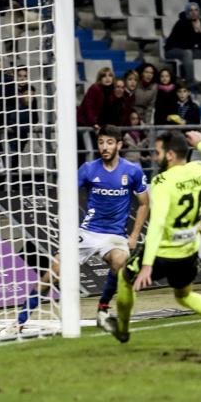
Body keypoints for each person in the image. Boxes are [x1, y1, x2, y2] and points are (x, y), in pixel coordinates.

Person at [101, 130, 201, 350]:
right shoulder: (200, 170)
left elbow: (157, 224)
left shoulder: (162, 182)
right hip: (188, 253)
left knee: (125, 278)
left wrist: (147, 265)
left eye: (158, 152)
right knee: (184, 295)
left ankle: (123, 329)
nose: (155, 157)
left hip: (163, 253)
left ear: (170, 155)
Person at [46, 126, 150, 331]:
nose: (104, 147)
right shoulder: (88, 169)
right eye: (101, 142)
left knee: (120, 260)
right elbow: (66, 194)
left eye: (109, 142)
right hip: (88, 232)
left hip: (115, 235)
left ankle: (103, 308)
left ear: (119, 145)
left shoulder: (133, 171)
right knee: (53, 271)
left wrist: (134, 235)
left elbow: (144, 203)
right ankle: (21, 320)